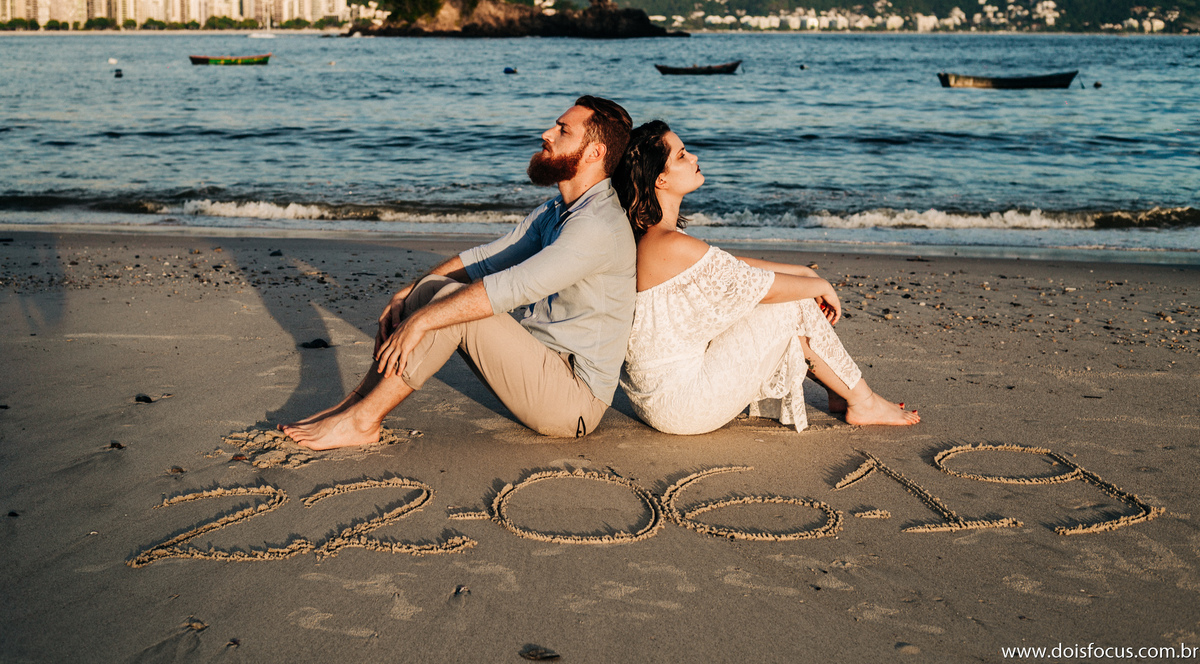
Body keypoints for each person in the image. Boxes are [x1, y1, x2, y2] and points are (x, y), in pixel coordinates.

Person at [282, 96, 636, 449]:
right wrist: (411, 292)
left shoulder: (597, 227)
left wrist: (421, 321)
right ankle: (354, 405)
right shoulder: (559, 209)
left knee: (453, 308)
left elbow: (514, 286)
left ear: (595, 153)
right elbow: (485, 261)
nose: (547, 133)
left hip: (574, 401)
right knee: (432, 289)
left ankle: (362, 423)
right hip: (540, 362)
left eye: (563, 130)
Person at [611, 120, 919, 435]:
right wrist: (819, 285)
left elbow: (730, 265)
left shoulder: (655, 237)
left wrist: (802, 271)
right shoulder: (668, 243)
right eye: (681, 155)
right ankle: (863, 401)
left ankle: (838, 391)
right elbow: (760, 287)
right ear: (660, 179)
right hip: (683, 406)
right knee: (790, 304)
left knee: (768, 297)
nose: (693, 159)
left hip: (655, 401)